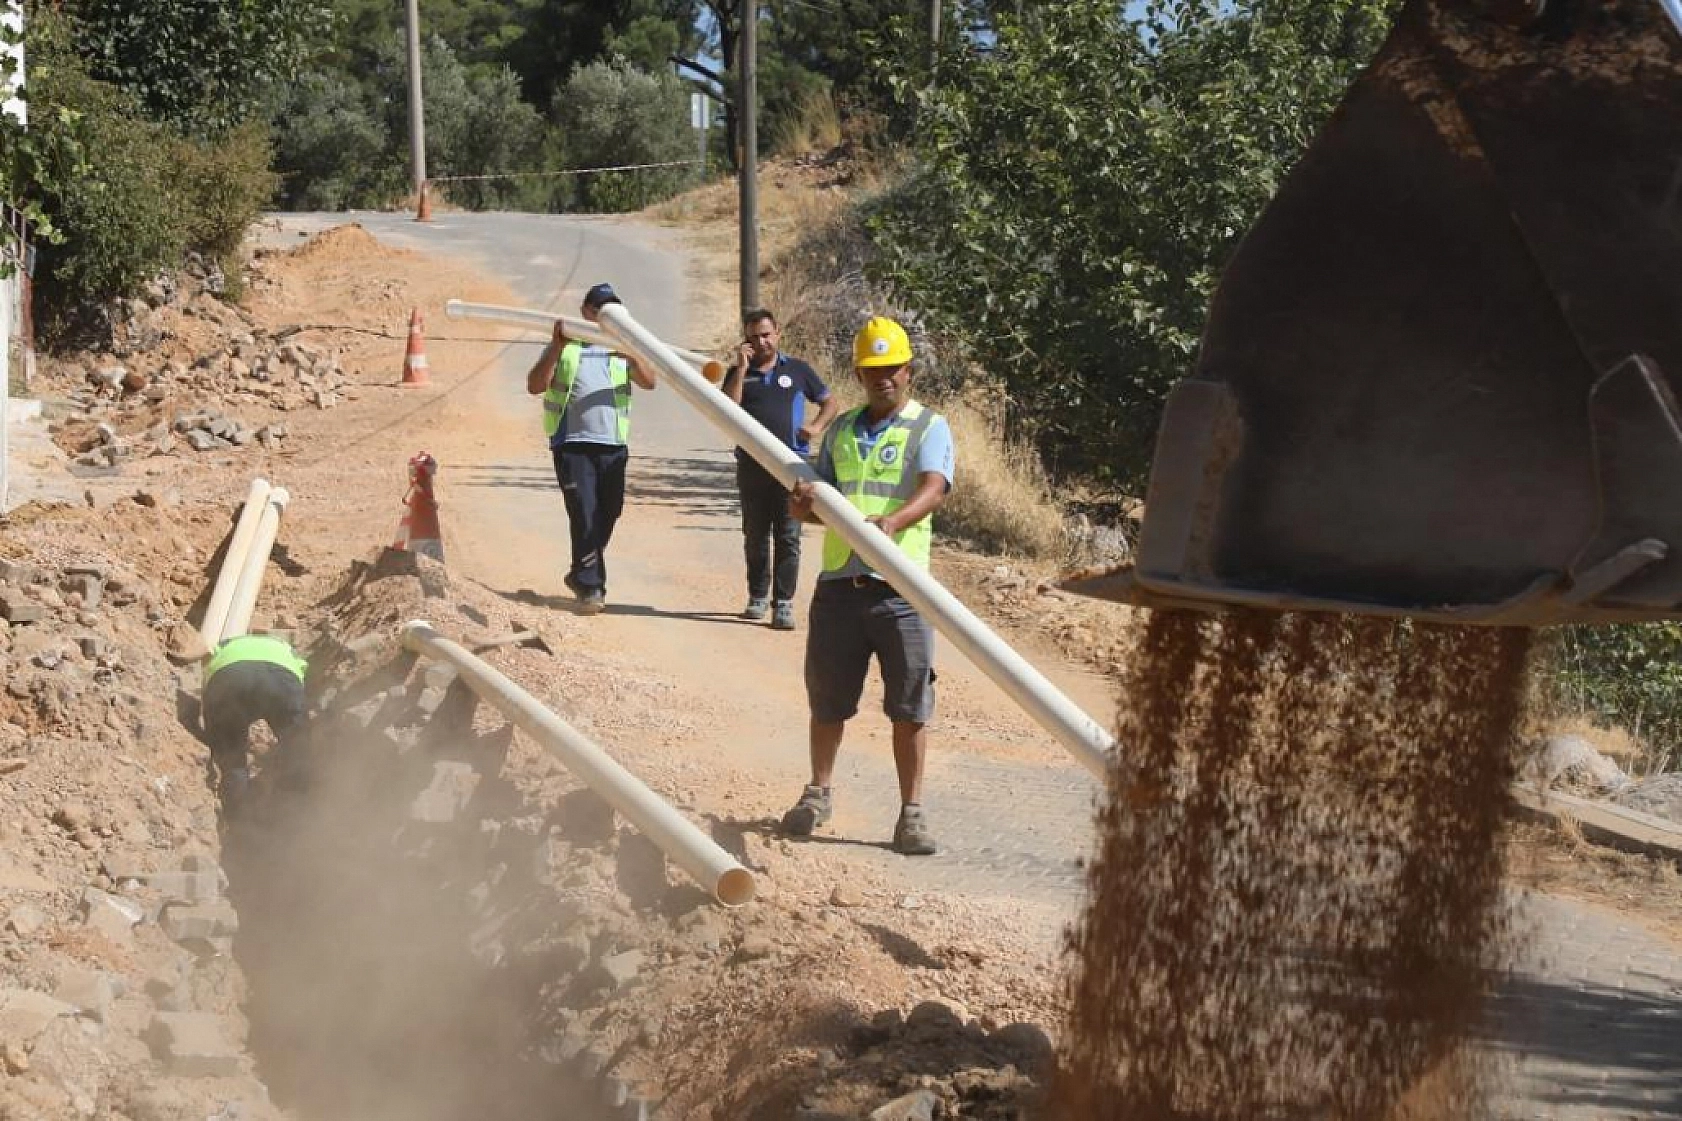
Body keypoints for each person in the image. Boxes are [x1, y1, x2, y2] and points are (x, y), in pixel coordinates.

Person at [780, 316, 955, 856]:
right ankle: (818, 794)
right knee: (827, 702)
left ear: (909, 370)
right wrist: (801, 505)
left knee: (909, 707)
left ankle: (912, 816)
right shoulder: (843, 430)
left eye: (892, 369)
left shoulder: (930, 427)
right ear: (858, 372)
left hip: (901, 591)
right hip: (839, 588)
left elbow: (935, 487)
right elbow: (816, 507)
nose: (884, 378)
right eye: (873, 370)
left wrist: (894, 523)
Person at [526, 283, 657, 613]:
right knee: (584, 513)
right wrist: (555, 349)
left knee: (608, 513)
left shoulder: (622, 346)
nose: (604, 316)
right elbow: (534, 385)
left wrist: (632, 356)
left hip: (612, 446)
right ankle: (591, 586)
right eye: (599, 309)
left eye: (611, 309)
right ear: (586, 311)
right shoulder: (568, 344)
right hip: (573, 445)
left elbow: (649, 381)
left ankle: (580, 571)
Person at [722, 307, 838, 631]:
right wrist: (742, 371)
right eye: (753, 336)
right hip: (752, 466)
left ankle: (783, 604)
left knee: (789, 536)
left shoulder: (798, 370)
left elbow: (830, 402)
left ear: (777, 334)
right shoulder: (738, 373)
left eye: (766, 334)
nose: (761, 342)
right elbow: (727, 410)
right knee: (755, 534)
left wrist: (816, 427)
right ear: (745, 340)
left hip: (792, 468)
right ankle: (757, 597)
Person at [201, 632, 308, 809]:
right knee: (297, 748)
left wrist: (217, 734)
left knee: (231, 756)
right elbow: (300, 685)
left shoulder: (223, 647)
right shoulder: (286, 650)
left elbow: (208, 691)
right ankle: (295, 806)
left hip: (230, 677)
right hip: (282, 679)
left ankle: (236, 814)